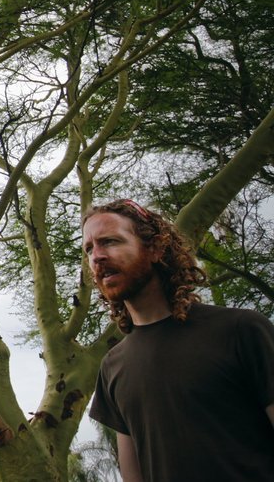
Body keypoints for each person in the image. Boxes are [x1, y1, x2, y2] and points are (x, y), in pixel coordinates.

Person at [84, 198, 274, 482]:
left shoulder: (240, 330)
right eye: (89, 249)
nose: (97, 256)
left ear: (156, 248)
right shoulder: (112, 366)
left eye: (110, 241)